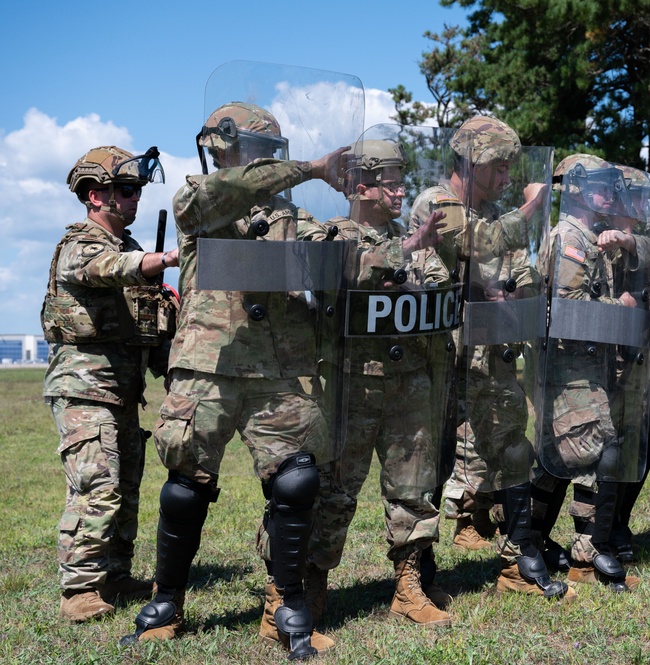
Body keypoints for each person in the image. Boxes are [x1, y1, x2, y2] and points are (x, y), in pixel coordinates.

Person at [121, 102, 349, 659]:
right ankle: (166, 602)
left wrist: (337, 255)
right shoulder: (201, 200)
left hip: (278, 370)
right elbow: (212, 199)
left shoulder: (294, 217)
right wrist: (314, 168)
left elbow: (332, 255)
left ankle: (287, 607)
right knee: (186, 484)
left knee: (296, 483)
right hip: (210, 365)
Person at [411, 117, 570, 601]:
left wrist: (514, 291)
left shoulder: (499, 213)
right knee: (430, 466)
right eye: (497, 167)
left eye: (508, 168)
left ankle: (519, 558)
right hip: (442, 363)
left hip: (493, 361)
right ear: (469, 162)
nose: (505, 177)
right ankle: (417, 568)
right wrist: (530, 210)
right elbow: (475, 243)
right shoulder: (436, 204)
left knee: (515, 453)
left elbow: (521, 272)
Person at [316, 134, 456, 627]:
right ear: (361, 184)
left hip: (410, 381)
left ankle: (408, 584)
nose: (400, 192)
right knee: (334, 490)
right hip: (352, 385)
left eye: (400, 183)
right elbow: (342, 278)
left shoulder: (416, 243)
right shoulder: (332, 233)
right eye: (390, 184)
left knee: (414, 489)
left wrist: (418, 269)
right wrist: (405, 253)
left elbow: (440, 292)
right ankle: (310, 588)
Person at [43, 145, 176, 622]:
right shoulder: (81, 245)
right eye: (126, 190)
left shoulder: (132, 251)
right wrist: (160, 261)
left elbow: (150, 327)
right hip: (83, 389)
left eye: (138, 188)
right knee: (97, 486)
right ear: (95, 195)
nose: (135, 197)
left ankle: (114, 574)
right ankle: (78, 589)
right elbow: (107, 270)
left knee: (126, 485)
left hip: (121, 391)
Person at [531, 153, 650, 592]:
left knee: (557, 459)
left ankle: (532, 540)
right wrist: (618, 309)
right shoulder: (570, 236)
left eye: (610, 184)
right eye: (599, 185)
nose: (609, 193)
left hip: (588, 361)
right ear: (577, 189)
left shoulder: (589, 235)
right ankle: (588, 553)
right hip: (570, 364)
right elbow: (570, 307)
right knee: (594, 447)